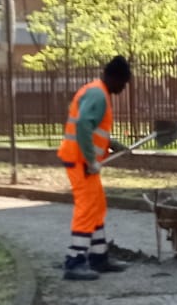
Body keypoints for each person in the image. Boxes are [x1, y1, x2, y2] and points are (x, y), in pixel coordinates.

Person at [55, 56, 132, 281]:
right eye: (123, 83)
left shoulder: (97, 91)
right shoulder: (99, 94)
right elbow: (83, 126)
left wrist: (112, 144)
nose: (123, 88)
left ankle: (99, 257)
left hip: (81, 160)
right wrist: (91, 161)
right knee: (87, 208)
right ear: (115, 78)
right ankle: (75, 261)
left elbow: (94, 129)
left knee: (97, 206)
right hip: (81, 162)